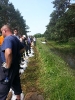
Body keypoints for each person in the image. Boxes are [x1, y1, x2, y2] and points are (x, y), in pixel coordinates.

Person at [0, 24, 24, 100]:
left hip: (8, 69)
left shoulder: (7, 39)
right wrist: (15, 55)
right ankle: (18, 98)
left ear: (4, 31)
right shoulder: (15, 38)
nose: (1, 34)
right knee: (16, 82)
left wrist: (8, 65)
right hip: (15, 66)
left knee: (3, 88)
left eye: (1, 32)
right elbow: (23, 48)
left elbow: (8, 52)